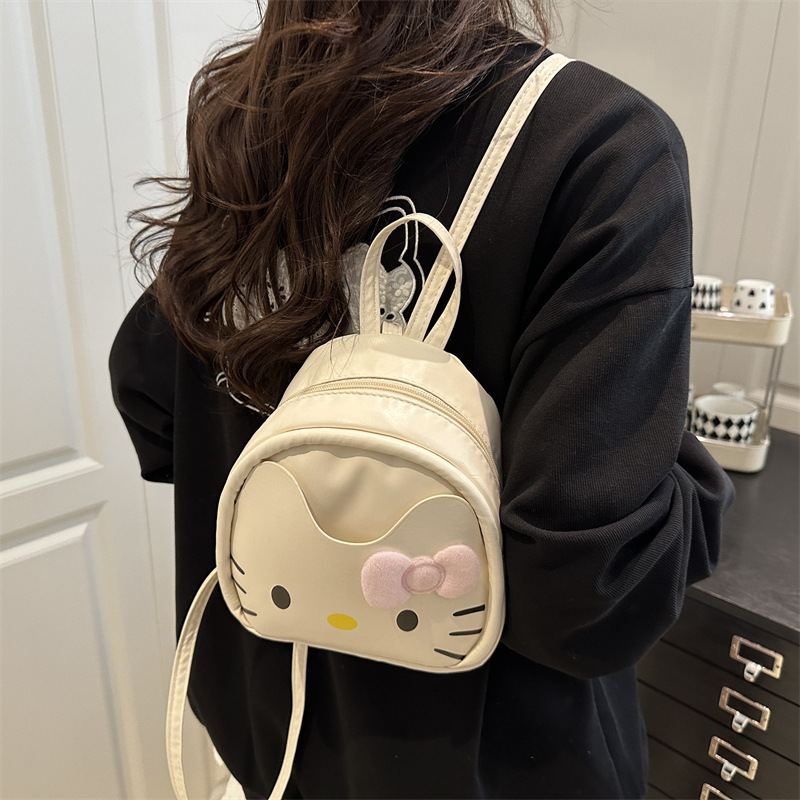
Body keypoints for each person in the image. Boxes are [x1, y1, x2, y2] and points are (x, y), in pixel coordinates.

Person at [110, 2, 734, 797]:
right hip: (493, 768)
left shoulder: (248, 120)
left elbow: (147, 395)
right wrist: (688, 478)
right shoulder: (599, 146)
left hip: (272, 740)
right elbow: (589, 596)